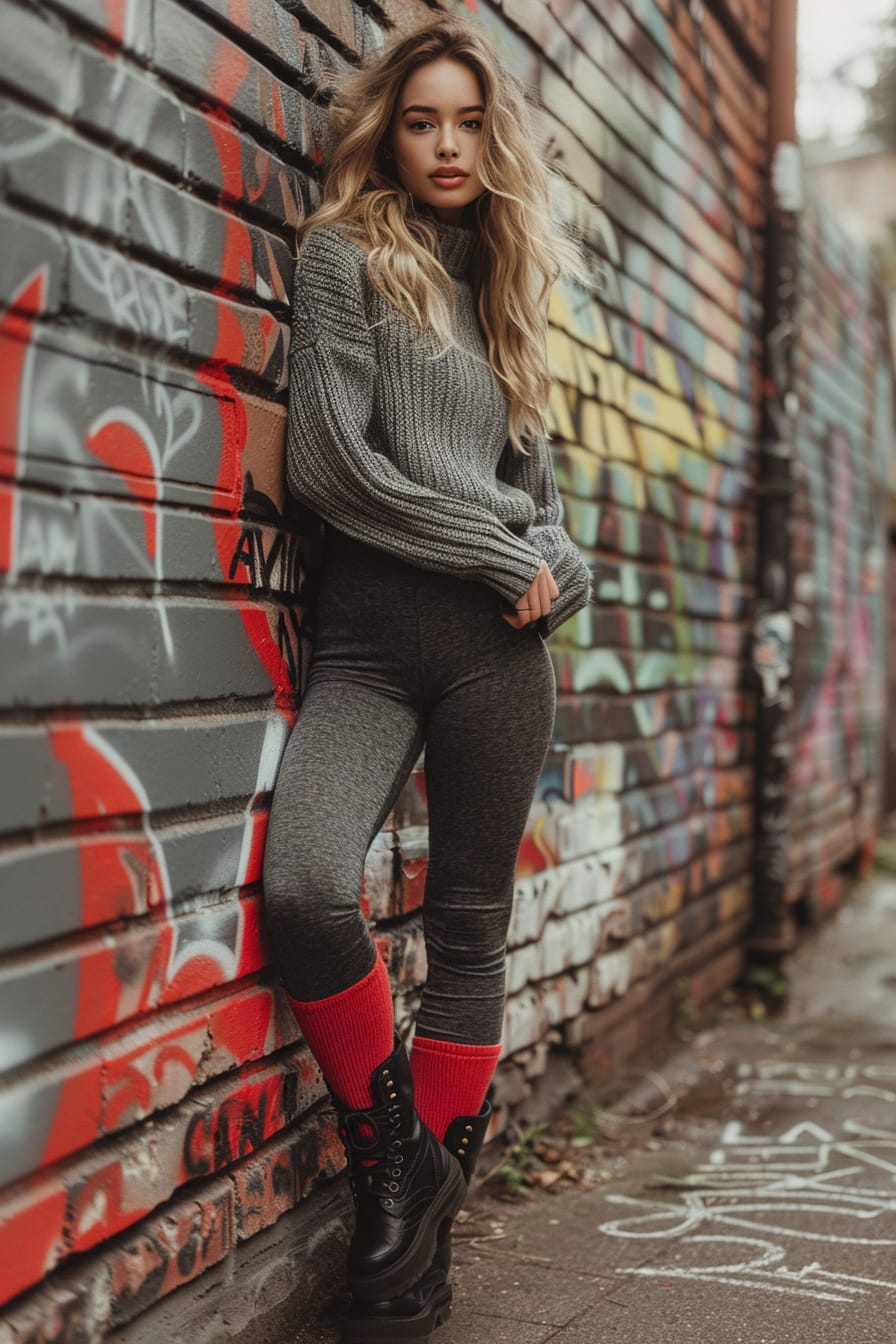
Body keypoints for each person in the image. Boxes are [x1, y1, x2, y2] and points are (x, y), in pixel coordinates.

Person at [263, 13, 592, 1342]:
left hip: (498, 656)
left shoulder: (504, 289)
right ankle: (397, 1166)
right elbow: (332, 470)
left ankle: (414, 1243)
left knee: (466, 928)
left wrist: (560, 569)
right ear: (385, 132)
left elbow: (545, 504)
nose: (446, 144)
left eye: (466, 121)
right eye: (419, 120)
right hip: (370, 642)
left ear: (489, 133)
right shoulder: (343, 255)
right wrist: (494, 544)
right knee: (304, 890)